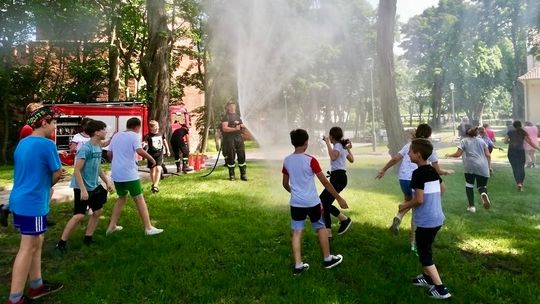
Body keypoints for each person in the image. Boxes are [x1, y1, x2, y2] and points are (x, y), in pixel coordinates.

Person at [5, 106, 65, 304]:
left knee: (37, 241)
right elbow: (57, 173)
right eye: (54, 122)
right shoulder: (46, 145)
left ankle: (36, 284)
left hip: (19, 200)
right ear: (44, 122)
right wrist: (50, 181)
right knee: (27, 246)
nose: (55, 126)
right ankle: (15, 298)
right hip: (33, 203)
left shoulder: (22, 143)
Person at [376, 124, 452, 253]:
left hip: (403, 178)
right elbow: (436, 170)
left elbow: (395, 158)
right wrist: (445, 172)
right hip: (417, 178)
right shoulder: (427, 148)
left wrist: (384, 169)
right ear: (429, 134)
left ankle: (399, 216)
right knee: (418, 204)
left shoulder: (410, 145)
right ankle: (413, 243)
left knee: (409, 201)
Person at [282, 129, 346, 275]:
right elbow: (325, 182)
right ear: (306, 143)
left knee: (297, 232)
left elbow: (285, 184)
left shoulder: (287, 160)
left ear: (293, 143)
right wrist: (339, 198)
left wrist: (294, 193)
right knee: (321, 228)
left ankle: (298, 266)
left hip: (296, 203)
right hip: (312, 203)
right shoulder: (310, 160)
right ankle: (328, 259)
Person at [398, 138, 451, 299]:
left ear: (418, 155)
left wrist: (404, 206)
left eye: (411, 151)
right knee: (426, 248)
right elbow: (442, 189)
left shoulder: (417, 174)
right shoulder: (432, 170)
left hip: (426, 221)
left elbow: (419, 200)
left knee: (424, 254)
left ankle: (441, 289)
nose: (408, 152)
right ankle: (427, 278)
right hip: (437, 218)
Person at [55, 120, 114, 253]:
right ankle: (61, 244)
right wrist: (83, 190)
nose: (106, 132)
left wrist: (107, 182)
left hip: (94, 186)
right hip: (81, 187)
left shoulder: (98, 146)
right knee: (79, 216)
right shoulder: (85, 149)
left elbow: (98, 167)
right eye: (104, 129)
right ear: (97, 132)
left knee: (98, 212)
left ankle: (88, 238)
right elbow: (77, 170)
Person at [1, 103, 57, 228]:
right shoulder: (28, 130)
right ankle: (6, 208)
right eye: (40, 111)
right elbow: (29, 150)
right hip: (32, 170)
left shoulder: (41, 136)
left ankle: (42, 216)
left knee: (47, 190)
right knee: (35, 189)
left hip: (40, 165)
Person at [106, 117, 163, 236]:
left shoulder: (116, 136)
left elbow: (109, 153)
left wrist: (116, 162)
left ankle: (111, 226)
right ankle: (148, 228)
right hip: (129, 173)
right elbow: (139, 151)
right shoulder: (134, 136)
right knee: (139, 198)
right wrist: (151, 159)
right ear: (138, 126)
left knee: (121, 197)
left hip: (116, 173)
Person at [445, 126, 492, 213]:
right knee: (482, 186)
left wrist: (449, 155)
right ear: (476, 134)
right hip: (482, 166)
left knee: (469, 185)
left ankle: (471, 207)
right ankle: (483, 193)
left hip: (470, 166)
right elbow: (488, 155)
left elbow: (458, 154)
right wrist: (489, 167)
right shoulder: (482, 141)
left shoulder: (464, 141)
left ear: (466, 134)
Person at [319, 127, 353, 239]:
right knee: (325, 203)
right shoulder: (341, 146)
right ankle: (339, 224)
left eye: (330, 136)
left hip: (338, 177)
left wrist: (328, 144)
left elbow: (333, 157)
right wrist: (347, 149)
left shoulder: (337, 146)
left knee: (323, 202)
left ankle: (341, 222)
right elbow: (351, 159)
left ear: (332, 136)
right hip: (339, 177)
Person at [504, 121, 540, 191]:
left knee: (515, 168)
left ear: (513, 126)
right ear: (520, 125)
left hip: (511, 151)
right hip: (520, 151)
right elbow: (530, 142)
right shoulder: (523, 132)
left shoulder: (510, 132)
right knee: (521, 167)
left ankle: (518, 183)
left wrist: (510, 141)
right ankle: (521, 183)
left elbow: (505, 141)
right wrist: (538, 148)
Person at [221, 101, 247, 181]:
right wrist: (235, 128)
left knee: (241, 155)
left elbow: (244, 126)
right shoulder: (226, 117)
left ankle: (243, 175)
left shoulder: (238, 116)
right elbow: (224, 128)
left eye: (233, 105)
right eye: (230, 106)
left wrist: (243, 126)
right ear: (228, 107)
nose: (232, 107)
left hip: (239, 138)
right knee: (231, 156)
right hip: (229, 139)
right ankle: (232, 175)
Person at [143, 120, 170, 192]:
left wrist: (168, 150)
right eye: (156, 127)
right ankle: (153, 183)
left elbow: (164, 141)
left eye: (158, 127)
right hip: (151, 155)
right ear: (151, 128)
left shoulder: (161, 134)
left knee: (158, 168)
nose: (157, 128)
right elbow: (145, 144)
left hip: (159, 153)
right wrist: (144, 146)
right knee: (152, 170)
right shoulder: (147, 136)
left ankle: (156, 185)